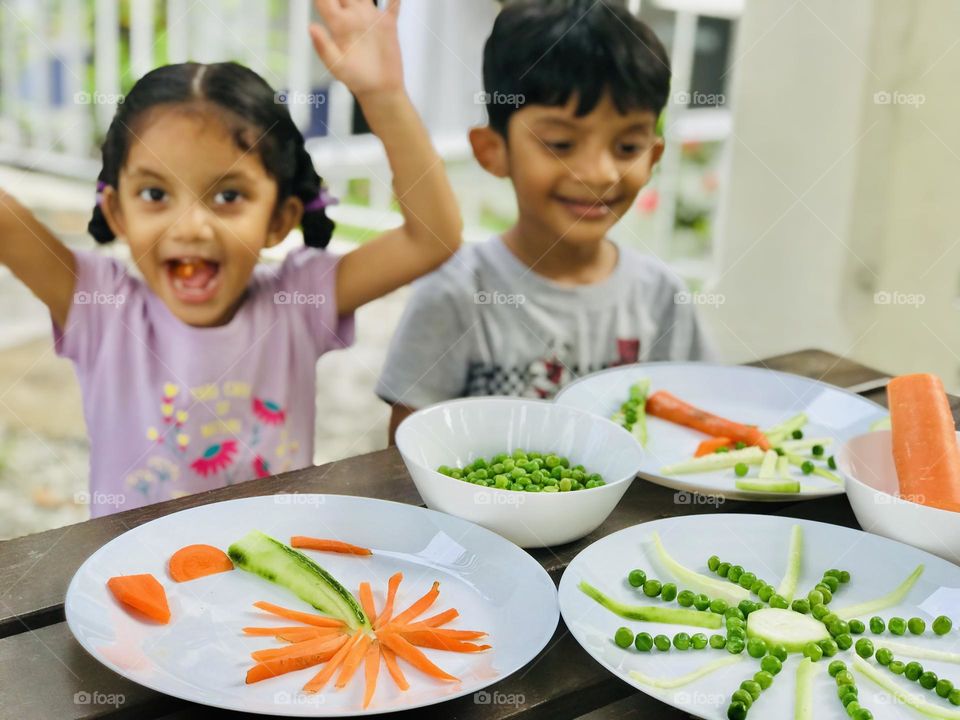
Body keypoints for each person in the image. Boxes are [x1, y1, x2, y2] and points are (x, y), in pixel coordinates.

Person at [0, 0, 462, 516]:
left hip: (272, 578)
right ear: (118, 212)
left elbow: (433, 237)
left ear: (279, 220)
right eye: (155, 194)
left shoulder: (297, 303)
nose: (191, 226)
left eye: (227, 196)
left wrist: (383, 96)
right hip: (136, 586)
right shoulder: (99, 306)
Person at [378, 0, 715, 442]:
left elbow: (693, 431)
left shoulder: (661, 298)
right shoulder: (454, 294)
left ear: (654, 156)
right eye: (560, 143)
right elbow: (406, 460)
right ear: (492, 151)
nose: (599, 173)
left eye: (627, 147)